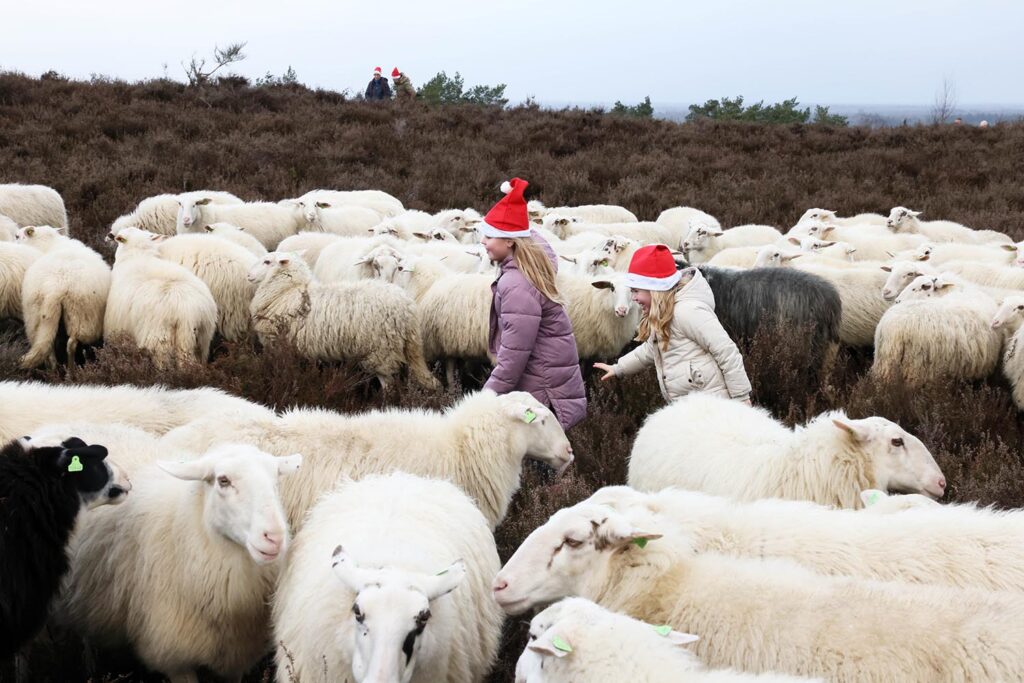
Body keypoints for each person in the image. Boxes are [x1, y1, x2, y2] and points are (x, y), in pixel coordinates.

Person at [481, 178, 587, 430]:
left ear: (509, 241)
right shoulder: (530, 269)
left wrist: (484, 400)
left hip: (541, 393)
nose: (483, 242)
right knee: (548, 450)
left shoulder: (517, 284)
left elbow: (514, 355)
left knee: (538, 455)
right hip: (546, 385)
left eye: (489, 236)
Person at [594, 244, 752, 404]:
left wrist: (741, 398)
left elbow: (726, 352)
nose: (633, 298)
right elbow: (650, 350)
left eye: (636, 291)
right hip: (691, 405)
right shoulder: (664, 314)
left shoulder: (688, 312)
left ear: (654, 289)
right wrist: (619, 368)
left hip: (716, 403)